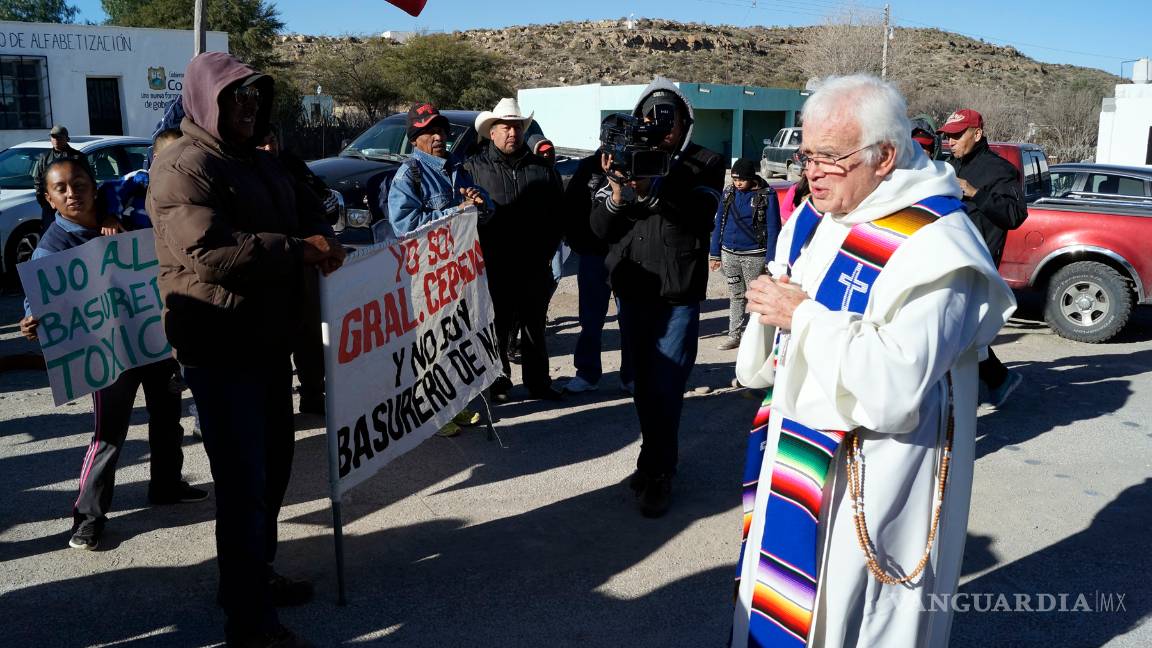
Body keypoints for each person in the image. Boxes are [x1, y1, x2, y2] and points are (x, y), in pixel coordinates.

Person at [729, 74, 1016, 648]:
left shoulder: (939, 246)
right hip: (800, 450)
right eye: (807, 154)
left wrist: (802, 317)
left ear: (884, 156)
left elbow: (899, 380)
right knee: (789, 594)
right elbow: (783, 326)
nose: (811, 171)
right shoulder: (815, 218)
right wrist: (776, 310)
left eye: (829, 157)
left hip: (881, 468)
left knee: (859, 606)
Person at [148, 52, 344, 648]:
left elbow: (311, 210)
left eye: (256, 98)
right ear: (208, 101)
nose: (249, 107)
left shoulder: (259, 160)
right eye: (236, 97)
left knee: (275, 472)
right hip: (220, 347)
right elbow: (209, 250)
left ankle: (250, 576)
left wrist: (322, 236)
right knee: (243, 482)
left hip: (268, 340)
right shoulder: (183, 164)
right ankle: (248, 621)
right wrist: (298, 249)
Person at [19, 158, 206, 552]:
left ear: (94, 185)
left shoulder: (123, 217)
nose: (73, 193)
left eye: (80, 183)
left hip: (152, 341)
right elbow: (38, 301)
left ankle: (167, 485)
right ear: (50, 200)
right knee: (108, 435)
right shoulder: (52, 248)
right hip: (109, 355)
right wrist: (31, 321)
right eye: (61, 189)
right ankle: (88, 517)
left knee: (167, 416)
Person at [589, 78, 725, 517]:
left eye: (672, 118)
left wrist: (655, 187)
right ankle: (656, 455)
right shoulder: (616, 158)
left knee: (665, 385)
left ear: (687, 123)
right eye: (653, 117)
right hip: (633, 291)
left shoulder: (705, 162)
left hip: (677, 293)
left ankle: (658, 472)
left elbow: (702, 215)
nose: (662, 127)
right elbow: (599, 231)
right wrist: (615, 193)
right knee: (638, 381)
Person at [386, 102, 489, 436]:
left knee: (454, 339)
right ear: (415, 138)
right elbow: (405, 226)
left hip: (458, 273)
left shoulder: (458, 167)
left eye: (441, 130)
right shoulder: (409, 174)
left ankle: (454, 405)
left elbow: (483, 209)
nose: (438, 136)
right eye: (429, 131)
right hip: (427, 276)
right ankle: (433, 413)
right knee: (429, 346)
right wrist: (456, 212)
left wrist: (478, 203)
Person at [463, 98, 565, 403]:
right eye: (505, 126)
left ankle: (538, 382)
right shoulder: (472, 169)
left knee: (534, 326)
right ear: (491, 132)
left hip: (534, 265)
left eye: (517, 126)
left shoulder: (542, 169)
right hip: (493, 265)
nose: (512, 132)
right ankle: (497, 381)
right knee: (496, 325)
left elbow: (557, 214)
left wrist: (546, 252)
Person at [939, 108, 1027, 409]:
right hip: (947, 257)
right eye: (947, 136)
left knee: (958, 329)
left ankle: (994, 381)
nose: (950, 141)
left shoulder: (1000, 170)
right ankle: (990, 381)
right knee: (957, 328)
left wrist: (974, 192)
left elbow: (1015, 215)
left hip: (977, 262)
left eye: (956, 135)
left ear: (976, 134)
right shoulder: (948, 166)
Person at [256, 125, 336, 416]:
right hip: (267, 268)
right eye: (261, 144)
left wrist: (324, 237)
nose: (268, 148)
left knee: (310, 337)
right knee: (274, 343)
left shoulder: (291, 166)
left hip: (304, 264)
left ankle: (313, 395)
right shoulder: (239, 172)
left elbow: (316, 205)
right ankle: (274, 409)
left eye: (272, 140)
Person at [560, 133, 635, 395]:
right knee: (590, 319)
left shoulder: (636, 163)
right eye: (610, 140)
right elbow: (571, 208)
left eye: (620, 141)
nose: (615, 147)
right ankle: (587, 373)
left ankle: (631, 376)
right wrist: (579, 243)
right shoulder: (587, 168)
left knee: (630, 319)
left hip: (628, 257)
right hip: (594, 256)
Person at [709, 157, 781, 350]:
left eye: (741, 179)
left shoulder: (767, 195)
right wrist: (714, 253)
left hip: (754, 255)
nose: (737, 183)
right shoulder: (728, 192)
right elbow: (719, 223)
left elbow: (774, 228)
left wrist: (771, 260)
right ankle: (734, 335)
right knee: (735, 295)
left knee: (755, 298)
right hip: (728, 253)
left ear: (751, 177)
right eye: (734, 179)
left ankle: (755, 341)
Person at [31, 125, 86, 232]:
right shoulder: (44, 159)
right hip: (51, 208)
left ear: (66, 139)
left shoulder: (77, 157)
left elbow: (86, 181)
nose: (56, 140)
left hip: (73, 206)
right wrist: (45, 202)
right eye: (53, 137)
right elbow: (38, 181)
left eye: (59, 137)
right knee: (51, 236)